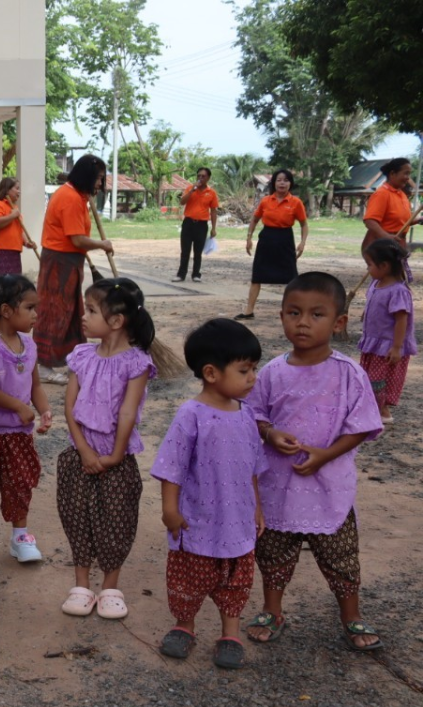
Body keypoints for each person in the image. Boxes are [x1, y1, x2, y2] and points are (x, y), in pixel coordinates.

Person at [246, 272, 384, 651]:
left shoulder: (348, 373)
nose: (303, 322)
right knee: (273, 555)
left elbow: (363, 425)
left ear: (338, 322)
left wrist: (326, 454)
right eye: (294, 313)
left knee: (340, 558)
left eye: (316, 314)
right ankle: (272, 611)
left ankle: (351, 616)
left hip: (329, 489)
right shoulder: (272, 372)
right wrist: (270, 432)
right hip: (280, 487)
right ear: (281, 317)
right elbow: (253, 414)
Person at [151, 319, 266, 669]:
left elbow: (254, 468)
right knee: (189, 578)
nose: (253, 378)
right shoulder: (191, 414)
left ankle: (229, 632)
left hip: (239, 522)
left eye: (254, 369)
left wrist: (258, 509)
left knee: (236, 580)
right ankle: (184, 625)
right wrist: (169, 510)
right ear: (212, 373)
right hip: (197, 521)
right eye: (245, 370)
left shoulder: (247, 415)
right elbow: (171, 467)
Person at [57, 278, 158, 620]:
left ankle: (110, 587)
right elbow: (69, 406)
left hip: (117, 459)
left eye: (90, 310)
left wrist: (114, 455)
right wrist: (84, 450)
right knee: (77, 516)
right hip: (78, 455)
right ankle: (82, 585)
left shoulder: (137, 363)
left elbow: (128, 411)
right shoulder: (82, 355)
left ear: (116, 321)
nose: (82, 316)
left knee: (117, 520)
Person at [0, 274, 52, 564]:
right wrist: (18, 408)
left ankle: (20, 536)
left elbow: (36, 385)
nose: (35, 315)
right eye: (30, 308)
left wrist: (43, 409)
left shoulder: (29, 346)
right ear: (6, 310)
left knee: (19, 484)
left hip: (17, 435)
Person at [35, 155, 114, 385]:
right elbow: (78, 240)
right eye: (98, 179)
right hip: (59, 262)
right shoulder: (69, 197)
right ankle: (44, 365)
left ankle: (73, 359)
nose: (100, 184)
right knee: (55, 312)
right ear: (87, 177)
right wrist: (102, 244)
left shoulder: (78, 196)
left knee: (71, 311)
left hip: (69, 261)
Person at [236, 168, 308, 320]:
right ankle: (249, 311)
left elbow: (303, 224)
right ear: (274, 183)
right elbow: (255, 219)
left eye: (286, 180)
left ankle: (292, 311)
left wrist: (302, 243)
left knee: (291, 278)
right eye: (279, 180)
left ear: (290, 183)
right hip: (267, 239)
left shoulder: (296, 202)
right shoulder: (266, 201)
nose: (282, 183)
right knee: (257, 276)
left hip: (285, 240)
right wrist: (249, 238)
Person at [358, 237, 416, 424]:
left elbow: (401, 320)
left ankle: (382, 411)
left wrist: (397, 347)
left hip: (387, 346)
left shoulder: (398, 291)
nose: (367, 269)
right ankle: (373, 408)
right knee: (368, 377)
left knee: (379, 379)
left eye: (369, 264)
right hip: (373, 342)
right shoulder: (375, 284)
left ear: (383, 266)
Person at [362, 158, 419, 258]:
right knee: (388, 274)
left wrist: (419, 220)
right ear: (392, 174)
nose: (408, 178)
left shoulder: (402, 195)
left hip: (397, 245)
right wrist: (386, 236)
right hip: (381, 247)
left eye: (409, 174)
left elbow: (403, 221)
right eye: (405, 173)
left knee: (397, 274)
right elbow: (370, 221)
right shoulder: (382, 194)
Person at [0, 178, 37, 280]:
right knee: (2, 285)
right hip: (0, 252)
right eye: (17, 188)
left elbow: (18, 229)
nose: (19, 191)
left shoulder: (14, 208)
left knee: (15, 285)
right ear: (7, 189)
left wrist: (27, 242)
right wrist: (12, 216)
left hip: (14, 252)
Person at [174, 167, 218, 283]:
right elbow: (182, 202)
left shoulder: (211, 193)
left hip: (202, 225)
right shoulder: (190, 188)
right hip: (188, 223)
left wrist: (213, 228)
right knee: (185, 250)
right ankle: (181, 275)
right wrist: (192, 190)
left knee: (198, 252)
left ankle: (196, 274)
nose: (200, 178)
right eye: (199, 176)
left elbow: (213, 211)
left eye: (203, 176)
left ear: (208, 178)